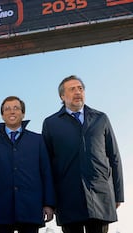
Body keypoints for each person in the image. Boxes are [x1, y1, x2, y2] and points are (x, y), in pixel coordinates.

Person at [42, 75, 124, 233]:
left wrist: (118, 194)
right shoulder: (51, 123)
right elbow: (46, 165)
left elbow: (114, 157)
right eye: (72, 89)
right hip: (68, 197)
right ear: (62, 96)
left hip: (100, 195)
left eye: (80, 88)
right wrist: (49, 201)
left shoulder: (101, 118)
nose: (78, 92)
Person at [0, 96, 55, 233]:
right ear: (2, 115)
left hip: (31, 207)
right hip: (0, 208)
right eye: (7, 109)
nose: (12, 112)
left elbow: (46, 173)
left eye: (16, 108)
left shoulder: (37, 140)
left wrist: (48, 204)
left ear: (23, 113)